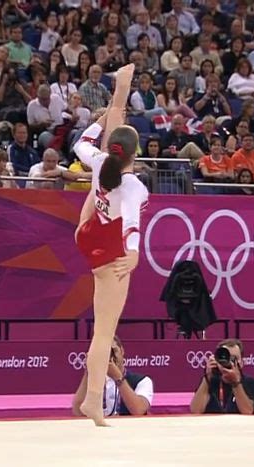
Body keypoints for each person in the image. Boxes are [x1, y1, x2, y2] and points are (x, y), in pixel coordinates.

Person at [73, 63, 148, 426]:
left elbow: (80, 144)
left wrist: (103, 118)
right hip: (110, 254)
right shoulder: (133, 187)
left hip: (87, 234)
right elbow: (132, 224)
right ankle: (92, 401)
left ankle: (121, 86)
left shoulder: (102, 159)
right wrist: (133, 255)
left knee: (96, 185)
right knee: (103, 331)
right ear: (136, 155)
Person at [72, 335, 154, 418]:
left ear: (121, 351)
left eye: (112, 351)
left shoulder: (142, 381)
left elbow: (138, 410)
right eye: (103, 352)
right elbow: (78, 411)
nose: (109, 355)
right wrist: (89, 371)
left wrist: (118, 377)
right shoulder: (92, 381)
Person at [190, 338, 254, 414]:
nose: (230, 362)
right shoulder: (209, 381)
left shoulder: (252, 383)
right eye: (226, 357)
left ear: (242, 362)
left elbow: (248, 412)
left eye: (234, 358)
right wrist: (207, 377)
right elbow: (195, 411)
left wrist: (235, 384)